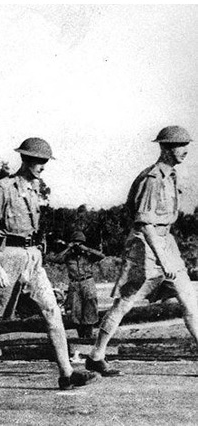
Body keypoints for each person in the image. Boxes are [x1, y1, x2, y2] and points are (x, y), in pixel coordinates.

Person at [0, 137, 98, 390]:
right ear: (24, 159)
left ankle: (66, 373)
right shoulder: (2, 187)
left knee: (51, 311)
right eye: (37, 161)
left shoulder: (35, 188)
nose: (41, 166)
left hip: (33, 258)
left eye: (44, 162)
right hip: (8, 257)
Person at [85, 126, 198, 376]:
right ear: (165, 148)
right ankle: (96, 355)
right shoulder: (152, 179)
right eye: (180, 146)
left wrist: (167, 255)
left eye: (186, 145)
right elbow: (144, 223)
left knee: (190, 300)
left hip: (165, 242)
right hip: (145, 246)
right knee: (125, 303)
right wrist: (161, 259)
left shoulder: (170, 176)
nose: (186, 151)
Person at [51, 231, 104, 339]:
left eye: (79, 243)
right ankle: (81, 337)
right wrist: (68, 248)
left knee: (90, 310)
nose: (77, 246)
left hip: (88, 282)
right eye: (75, 243)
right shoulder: (68, 256)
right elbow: (56, 259)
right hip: (74, 284)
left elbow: (101, 256)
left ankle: (88, 336)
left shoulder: (88, 254)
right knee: (76, 312)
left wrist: (85, 248)